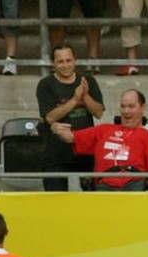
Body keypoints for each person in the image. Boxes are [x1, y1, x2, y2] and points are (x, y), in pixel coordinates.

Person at [50, 88, 148, 191]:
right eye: (123, 106)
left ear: (143, 108)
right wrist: (56, 128)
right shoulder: (104, 130)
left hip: (135, 185)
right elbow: (71, 137)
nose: (126, 111)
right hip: (104, 185)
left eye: (131, 106)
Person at [36, 44, 105, 192]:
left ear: (75, 61)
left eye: (68, 60)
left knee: (91, 202)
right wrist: (74, 99)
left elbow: (98, 112)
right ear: (53, 63)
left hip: (86, 152)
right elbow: (50, 117)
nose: (65, 65)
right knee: (55, 204)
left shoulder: (87, 80)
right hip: (56, 155)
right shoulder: (45, 85)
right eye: (60, 62)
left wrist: (85, 95)